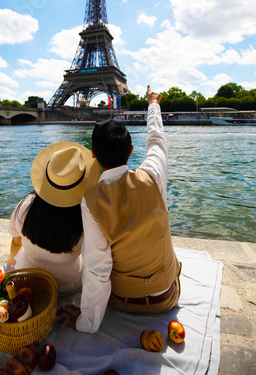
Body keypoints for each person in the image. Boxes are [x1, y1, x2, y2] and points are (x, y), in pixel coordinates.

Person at [58, 85, 181, 332]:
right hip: (168, 296)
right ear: (131, 151)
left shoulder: (91, 201)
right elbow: (157, 139)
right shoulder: (154, 176)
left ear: (92, 154)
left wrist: (87, 323)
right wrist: (153, 104)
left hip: (123, 301)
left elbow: (97, 270)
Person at [7, 141, 100, 294]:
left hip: (29, 277)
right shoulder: (86, 215)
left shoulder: (26, 205)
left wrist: (11, 260)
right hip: (69, 283)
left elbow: (16, 241)